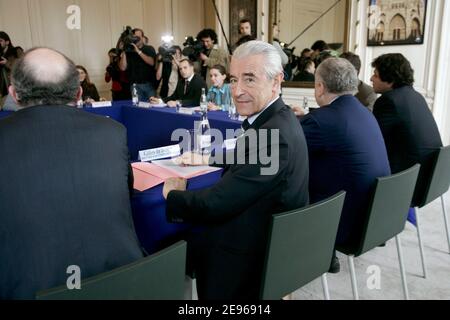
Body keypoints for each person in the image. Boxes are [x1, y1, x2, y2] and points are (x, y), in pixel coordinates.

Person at [162, 40, 309, 300]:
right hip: (273, 236)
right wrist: (208, 157)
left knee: (164, 244)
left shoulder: (274, 135)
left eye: (250, 79)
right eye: (233, 79)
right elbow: (251, 155)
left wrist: (172, 196)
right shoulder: (278, 119)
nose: (237, 90)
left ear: (276, 82)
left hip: (249, 256)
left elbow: (216, 203)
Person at [0, 47, 144, 299]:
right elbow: (127, 191)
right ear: (79, 92)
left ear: (14, 94)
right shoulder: (113, 132)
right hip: (122, 281)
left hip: (28, 287)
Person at [300, 57, 391, 273]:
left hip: (344, 223)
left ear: (320, 87)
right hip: (375, 216)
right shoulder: (364, 113)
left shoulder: (323, 121)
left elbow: (283, 145)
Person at [371, 53, 443, 206]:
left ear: (390, 80)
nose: (371, 78)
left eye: (375, 75)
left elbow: (372, 141)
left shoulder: (388, 101)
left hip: (410, 183)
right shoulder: (415, 96)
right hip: (430, 178)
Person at [119, 28, 157, 101]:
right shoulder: (129, 51)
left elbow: (152, 62)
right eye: (134, 37)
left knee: (152, 106)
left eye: (138, 37)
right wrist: (124, 51)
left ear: (142, 38)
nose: (136, 39)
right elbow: (122, 68)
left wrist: (138, 51)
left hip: (148, 84)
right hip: (134, 85)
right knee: (138, 108)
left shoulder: (148, 48)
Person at [0, 31, 24, 109]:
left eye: (0, 40)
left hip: (17, 89)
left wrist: (7, 63)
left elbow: (23, 67)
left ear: (7, 42)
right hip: (3, 93)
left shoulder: (17, 51)